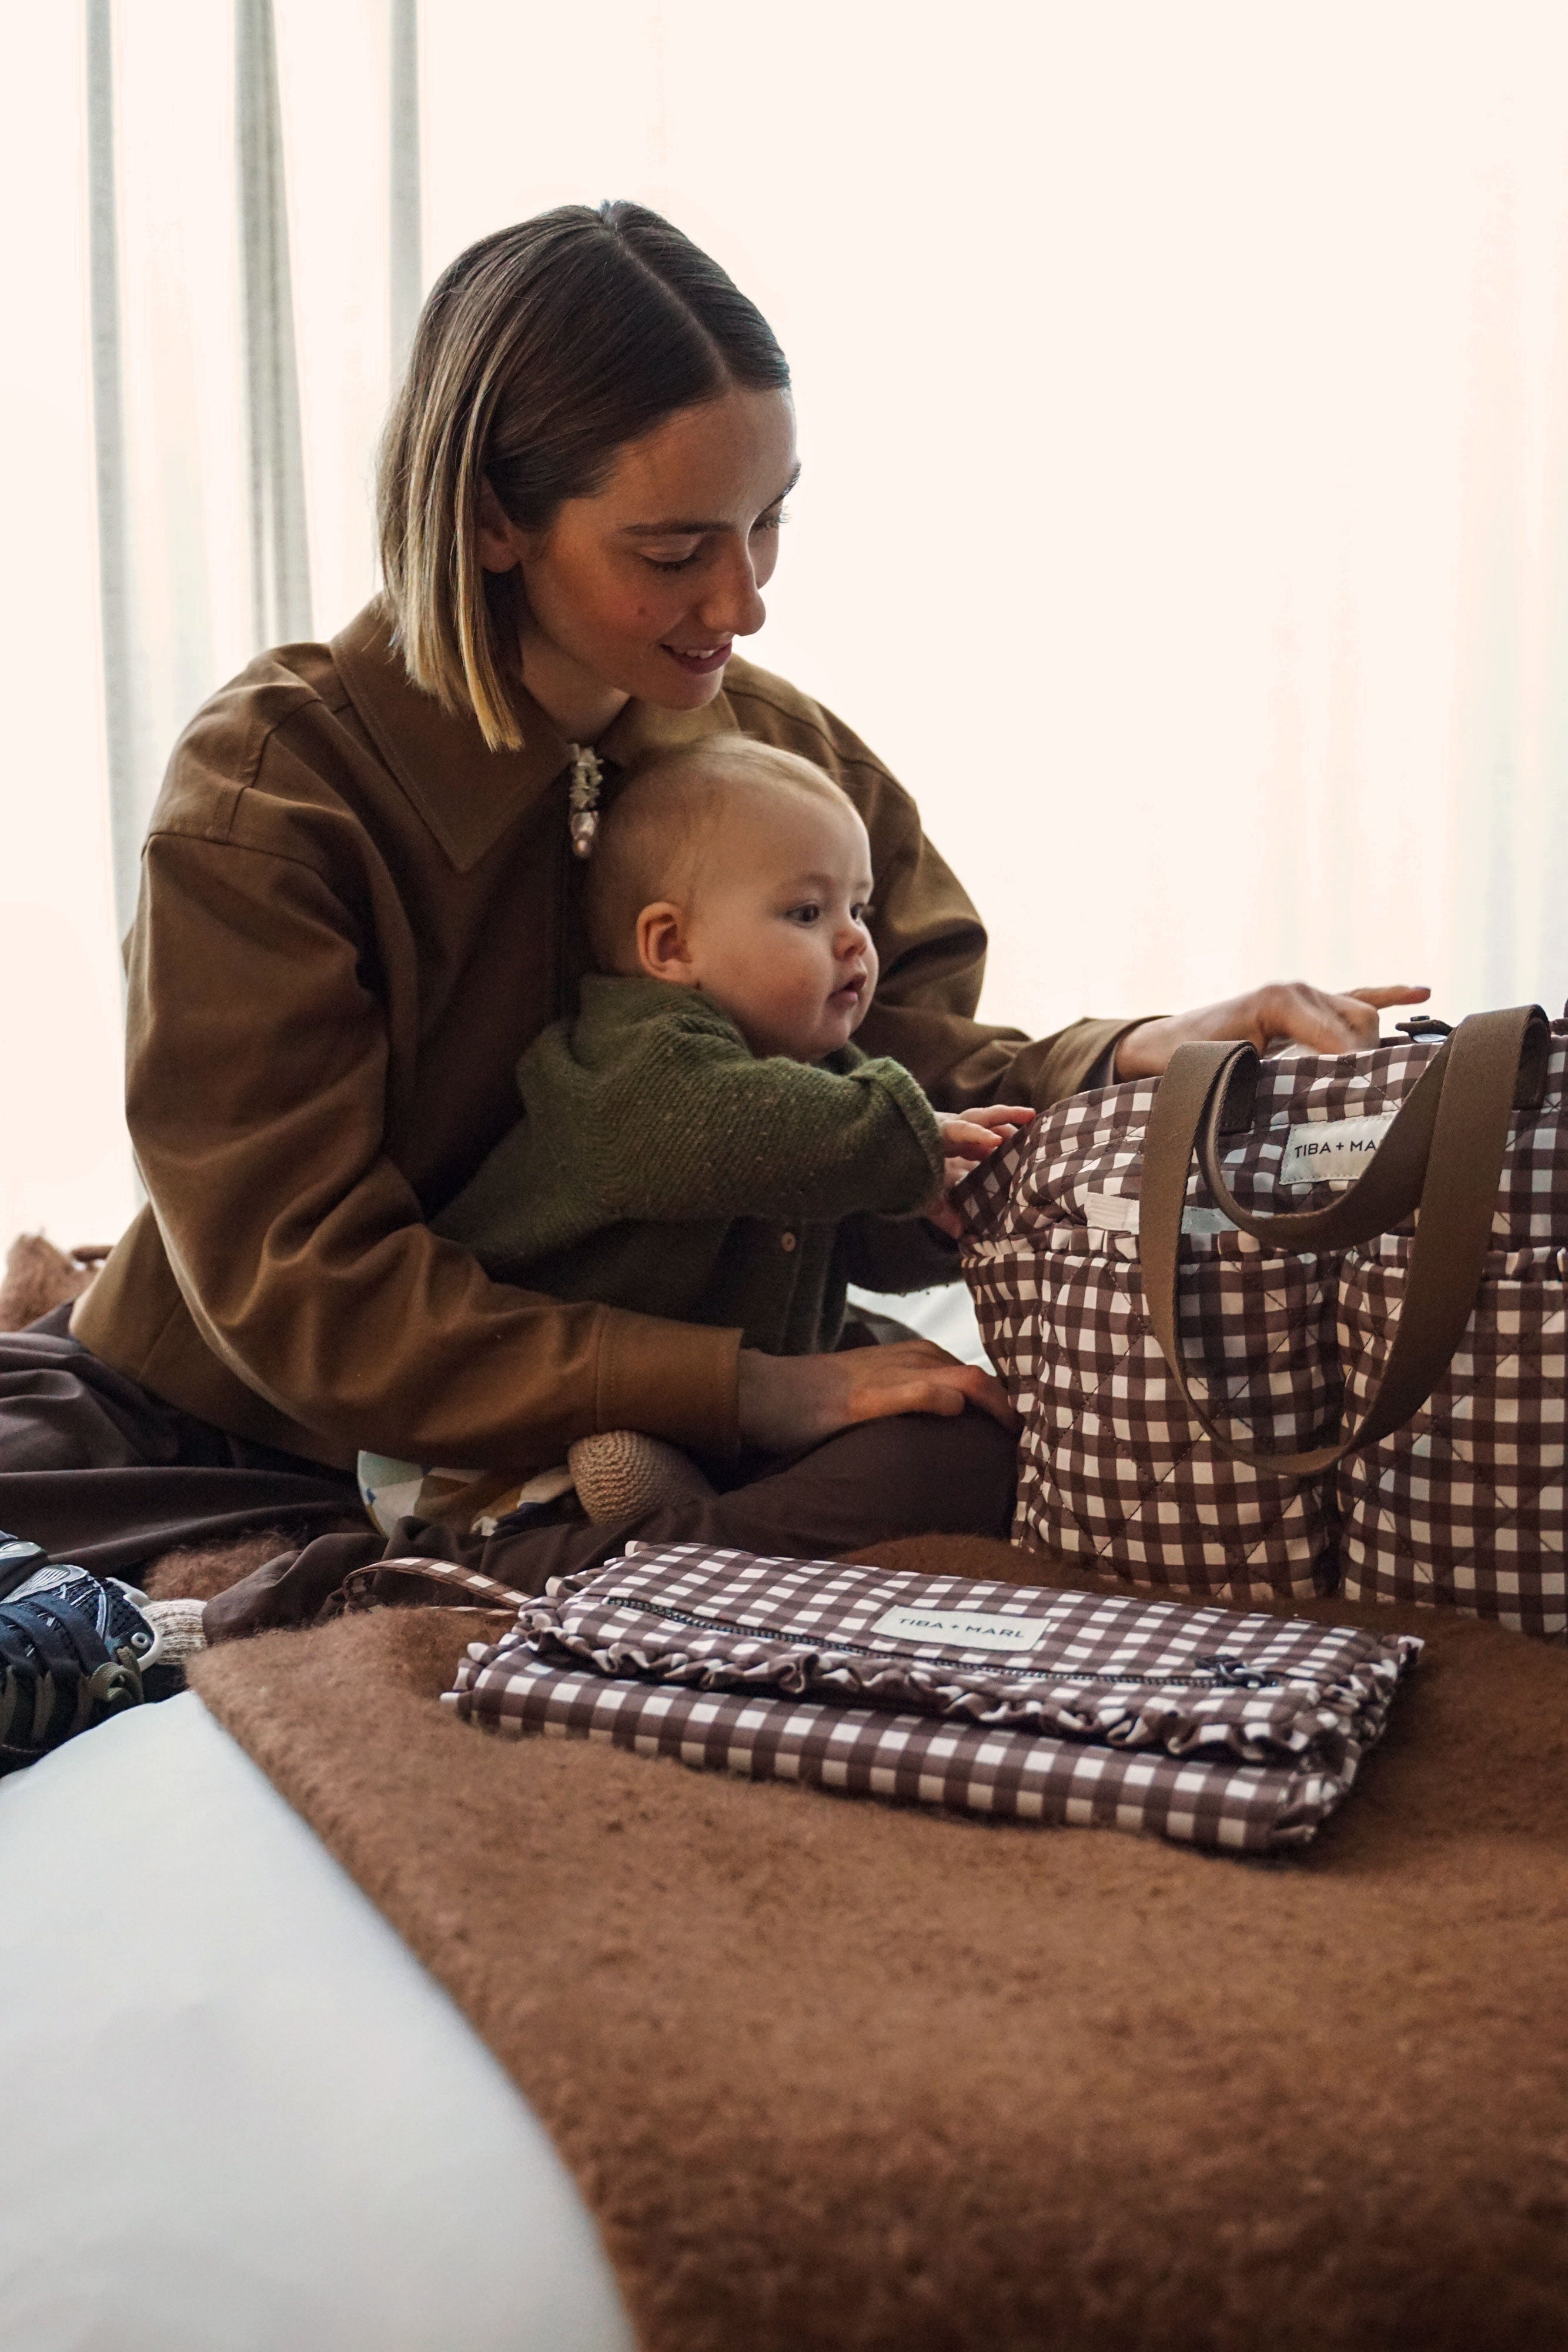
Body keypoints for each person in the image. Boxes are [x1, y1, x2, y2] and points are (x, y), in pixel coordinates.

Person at [0, 201, 1426, 1750]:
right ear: (491, 520)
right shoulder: (276, 789)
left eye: (769, 525)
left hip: (613, 1430)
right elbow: (309, 1295)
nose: (742, 600)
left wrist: (1132, 1055)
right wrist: (753, 1391)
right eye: (675, 551)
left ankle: (538, 1573)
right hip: (227, 1428)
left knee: (979, 1446)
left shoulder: (772, 747)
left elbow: (884, 1099)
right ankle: (453, 1576)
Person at [361, 733, 1035, 1533]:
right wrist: (904, 1144)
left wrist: (931, 1214)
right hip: (519, 1420)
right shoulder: (634, 1057)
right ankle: (628, 1525)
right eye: (808, 913)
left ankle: (699, 1519)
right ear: (671, 946)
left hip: (737, 1408)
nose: (856, 940)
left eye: (859, 909)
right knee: (587, 1477)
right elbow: (734, 1128)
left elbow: (850, 1227)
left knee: (962, 1426)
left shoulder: (822, 1077)